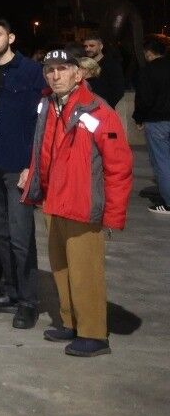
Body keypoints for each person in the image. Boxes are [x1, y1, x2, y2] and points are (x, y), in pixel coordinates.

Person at [25, 47, 133, 357]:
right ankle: (71, 322)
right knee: (61, 268)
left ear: (78, 73)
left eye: (62, 69)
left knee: (86, 272)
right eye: (50, 70)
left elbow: (119, 166)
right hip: (52, 202)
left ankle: (94, 333)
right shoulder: (48, 105)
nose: (55, 75)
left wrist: (112, 215)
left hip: (83, 206)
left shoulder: (98, 111)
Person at [0, 18, 47, 327]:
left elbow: (37, 122)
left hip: (18, 166)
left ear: (11, 38)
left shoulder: (30, 72)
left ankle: (29, 302)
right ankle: (12, 291)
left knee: (20, 236)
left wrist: (31, 165)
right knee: (0, 233)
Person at [132, 34, 170, 215]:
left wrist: (139, 118)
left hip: (157, 121)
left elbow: (144, 99)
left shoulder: (148, 71)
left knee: (162, 162)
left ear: (148, 53)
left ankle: (168, 203)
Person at [80, 34, 126, 107]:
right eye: (85, 46)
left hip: (103, 108)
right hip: (83, 108)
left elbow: (118, 91)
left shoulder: (112, 65)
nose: (87, 49)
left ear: (101, 46)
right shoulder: (82, 64)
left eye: (92, 46)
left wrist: (104, 105)